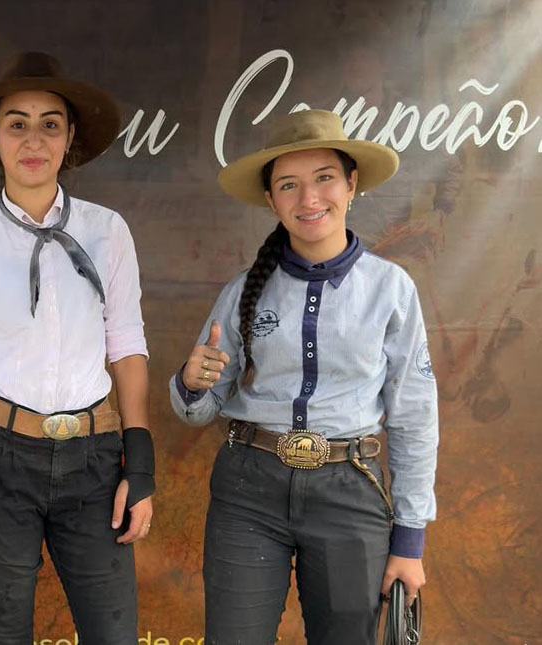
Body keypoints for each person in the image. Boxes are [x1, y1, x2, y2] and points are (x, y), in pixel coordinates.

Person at [169, 109, 438, 644]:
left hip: (350, 490)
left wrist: (409, 541)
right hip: (249, 489)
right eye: (289, 185)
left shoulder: (391, 289)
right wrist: (191, 383)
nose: (309, 198)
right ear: (271, 200)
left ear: (351, 184)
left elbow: (414, 416)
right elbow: (198, 409)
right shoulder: (243, 290)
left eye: (324, 178)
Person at [0, 52, 155, 645]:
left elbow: (127, 346)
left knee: (113, 632)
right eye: (17, 124)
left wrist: (141, 465)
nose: (34, 140)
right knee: (3, 631)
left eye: (50, 124)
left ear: (70, 135)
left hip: (95, 459)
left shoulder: (108, 231)